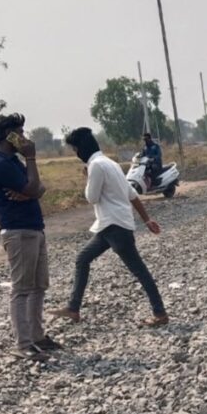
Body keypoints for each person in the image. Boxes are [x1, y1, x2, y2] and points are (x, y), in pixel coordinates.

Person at [49, 128, 169, 327]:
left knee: (140, 271)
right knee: (82, 259)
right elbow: (132, 194)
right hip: (109, 226)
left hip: (115, 227)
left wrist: (87, 177)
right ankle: (73, 308)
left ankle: (160, 313)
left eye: (74, 149)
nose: (74, 153)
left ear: (81, 149)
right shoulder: (110, 163)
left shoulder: (96, 166)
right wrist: (146, 220)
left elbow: (92, 197)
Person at [0, 112, 61, 362]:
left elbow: (39, 188)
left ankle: (37, 336)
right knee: (22, 288)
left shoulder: (14, 161)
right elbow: (32, 187)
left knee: (39, 285)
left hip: (33, 228)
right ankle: (23, 343)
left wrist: (32, 189)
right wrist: (31, 159)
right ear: (11, 136)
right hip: (18, 231)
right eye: (21, 133)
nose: (25, 138)